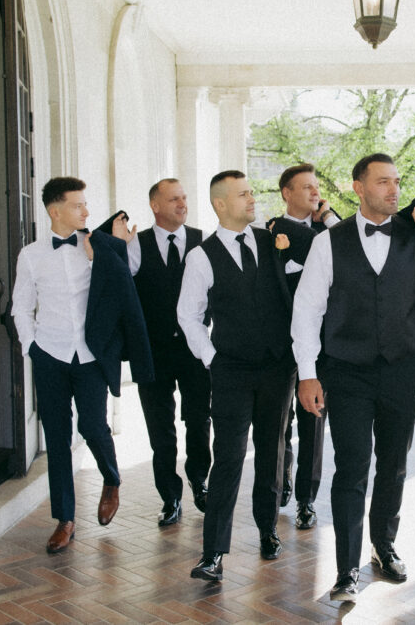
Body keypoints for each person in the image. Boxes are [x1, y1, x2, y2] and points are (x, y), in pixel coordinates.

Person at [292, 153, 415, 602]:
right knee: (351, 467)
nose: (393, 190)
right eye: (382, 182)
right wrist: (308, 375)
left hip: (402, 371)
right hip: (346, 372)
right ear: (358, 187)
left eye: (396, 182)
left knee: (393, 464)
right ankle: (347, 567)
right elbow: (307, 311)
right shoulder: (328, 243)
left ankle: (383, 546)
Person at [11, 177, 152, 554]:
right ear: (55, 211)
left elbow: (127, 281)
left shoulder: (98, 247)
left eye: (86, 205)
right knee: (56, 437)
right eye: (78, 206)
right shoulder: (31, 255)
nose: (87, 212)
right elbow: (21, 307)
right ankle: (65, 519)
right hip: (50, 355)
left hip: (90, 356)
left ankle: (111, 478)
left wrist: (112, 249)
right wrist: (32, 348)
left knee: (93, 425)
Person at [178, 171, 295, 582]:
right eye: (243, 194)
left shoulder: (272, 239)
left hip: (278, 367)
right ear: (221, 204)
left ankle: (267, 530)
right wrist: (213, 359)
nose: (252, 199)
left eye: (252, 192)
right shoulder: (201, 256)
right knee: (227, 456)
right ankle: (213, 552)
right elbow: (188, 317)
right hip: (230, 369)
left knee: (272, 450)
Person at [118, 179, 211, 527]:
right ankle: (170, 497)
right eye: (174, 199)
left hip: (195, 350)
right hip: (152, 353)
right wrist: (116, 243)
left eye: (184, 198)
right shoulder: (136, 245)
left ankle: (200, 482)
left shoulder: (204, 242)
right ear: (155, 206)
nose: (182, 204)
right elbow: (117, 286)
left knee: (199, 419)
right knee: (160, 428)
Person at [266, 163, 339, 531]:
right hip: (279, 343)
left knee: (313, 420)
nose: (314, 192)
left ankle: (307, 501)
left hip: (320, 344)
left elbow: (349, 253)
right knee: (280, 421)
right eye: (306, 187)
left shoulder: (332, 233)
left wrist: (328, 218)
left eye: (317, 187)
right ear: (286, 193)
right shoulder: (268, 233)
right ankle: (282, 480)